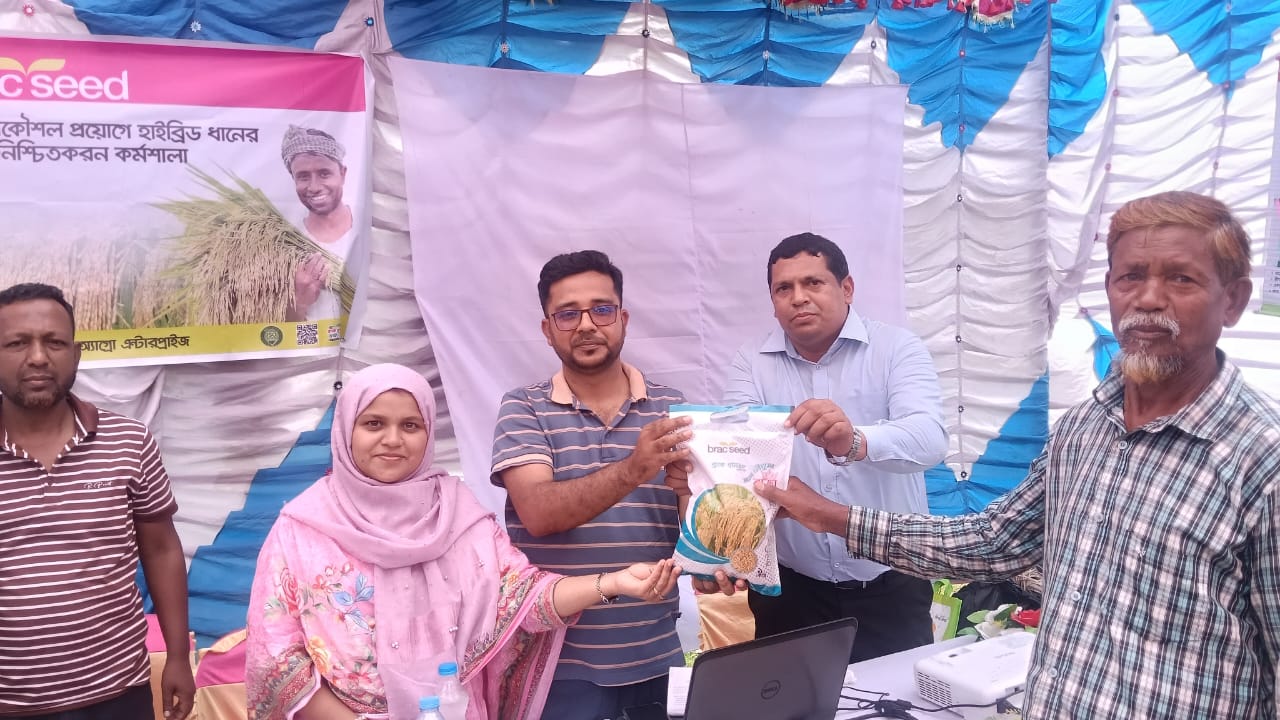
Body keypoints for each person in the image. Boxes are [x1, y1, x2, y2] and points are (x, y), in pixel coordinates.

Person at [754, 192, 1280, 718]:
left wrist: (851, 454)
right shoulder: (1083, 431)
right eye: (1131, 277)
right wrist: (827, 515)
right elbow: (991, 543)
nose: (1148, 298)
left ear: (1233, 300)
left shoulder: (1263, 461)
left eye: (1181, 279)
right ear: (1109, 289)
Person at [245, 363, 679, 720]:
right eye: (374, 423)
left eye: (410, 425)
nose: (393, 439)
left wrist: (615, 582)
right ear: (345, 430)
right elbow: (277, 658)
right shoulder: (302, 528)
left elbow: (522, 596)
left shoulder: (456, 513)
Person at [677, 232, 948, 662]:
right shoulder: (752, 361)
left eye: (813, 283)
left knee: (896, 696)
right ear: (773, 301)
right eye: (783, 288)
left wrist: (854, 440)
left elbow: (930, 440)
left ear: (847, 288)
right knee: (791, 698)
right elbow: (736, 462)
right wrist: (718, 550)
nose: (798, 297)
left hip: (889, 584)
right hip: (791, 591)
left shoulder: (896, 348)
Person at [490, 251, 693, 720]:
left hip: (655, 652)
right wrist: (634, 468)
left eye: (601, 309)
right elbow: (539, 514)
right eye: (568, 314)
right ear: (547, 329)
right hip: (556, 665)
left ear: (623, 319)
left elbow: (694, 525)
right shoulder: (523, 409)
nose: (586, 325)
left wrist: (698, 507)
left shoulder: (672, 408)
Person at [0, 283, 194, 719]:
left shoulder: (128, 442)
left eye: (54, 342)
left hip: (117, 693)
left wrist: (178, 656)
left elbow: (161, 549)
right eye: (17, 343)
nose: (37, 357)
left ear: (76, 354)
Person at [280, 125, 355, 322]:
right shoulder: (285, 246)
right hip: (315, 343)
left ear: (342, 174)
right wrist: (299, 303)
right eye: (303, 177)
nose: (313, 187)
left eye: (324, 173)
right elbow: (279, 331)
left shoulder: (370, 230)